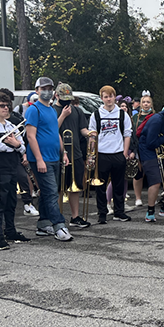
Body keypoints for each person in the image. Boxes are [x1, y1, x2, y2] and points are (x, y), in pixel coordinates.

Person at [0, 91, 32, 250]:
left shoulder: (11, 125)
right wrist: (15, 146)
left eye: (8, 105)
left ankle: (10, 231)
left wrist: (16, 145)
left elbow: (22, 146)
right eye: (2, 106)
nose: (6, 108)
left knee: (11, 201)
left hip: (12, 167)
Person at [25, 77, 73, 241]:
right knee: (52, 193)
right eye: (43, 88)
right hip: (41, 158)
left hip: (53, 157)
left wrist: (63, 152)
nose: (47, 91)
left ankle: (43, 224)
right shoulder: (34, 110)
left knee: (48, 192)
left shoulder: (52, 110)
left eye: (50, 88)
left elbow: (54, 132)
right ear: (37, 91)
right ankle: (59, 225)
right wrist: (39, 159)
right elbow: (31, 136)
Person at [88, 85, 133, 224]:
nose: (109, 99)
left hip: (118, 154)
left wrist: (124, 153)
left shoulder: (122, 114)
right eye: (106, 97)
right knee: (100, 187)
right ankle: (102, 213)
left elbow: (127, 134)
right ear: (102, 98)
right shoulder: (96, 114)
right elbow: (92, 136)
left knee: (118, 185)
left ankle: (119, 212)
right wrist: (92, 155)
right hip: (101, 154)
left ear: (115, 97)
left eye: (111, 96)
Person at [55, 83, 91, 228]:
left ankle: (75, 217)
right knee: (59, 188)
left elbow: (83, 129)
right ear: (56, 96)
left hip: (75, 154)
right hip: (58, 155)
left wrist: (90, 134)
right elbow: (52, 129)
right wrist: (63, 116)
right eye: (64, 99)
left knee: (74, 187)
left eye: (69, 99)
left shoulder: (77, 111)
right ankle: (57, 217)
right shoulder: (52, 110)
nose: (67, 102)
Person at [132, 92, 155, 207]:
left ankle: (152, 197)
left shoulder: (155, 116)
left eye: (148, 102)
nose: (146, 104)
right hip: (138, 146)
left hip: (150, 146)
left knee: (151, 172)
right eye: (144, 102)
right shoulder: (135, 117)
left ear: (151, 104)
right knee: (138, 172)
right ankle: (138, 197)